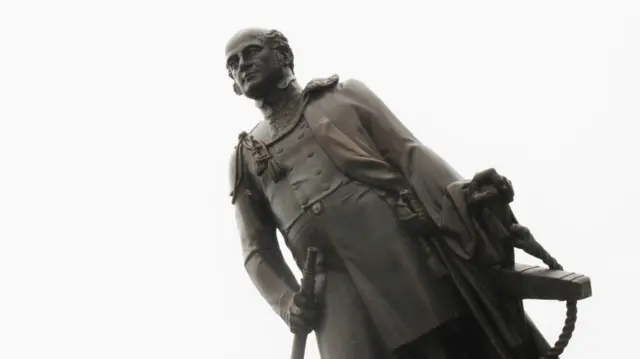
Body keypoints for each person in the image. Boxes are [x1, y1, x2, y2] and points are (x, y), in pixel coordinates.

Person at [225, 27, 548, 359]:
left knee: (448, 347)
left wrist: (465, 196)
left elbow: (409, 154)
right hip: (331, 291)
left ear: (282, 54)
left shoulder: (343, 96)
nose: (242, 65)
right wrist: (287, 301)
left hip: (399, 256)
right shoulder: (245, 157)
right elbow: (256, 250)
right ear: (234, 84)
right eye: (233, 63)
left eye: (251, 52)